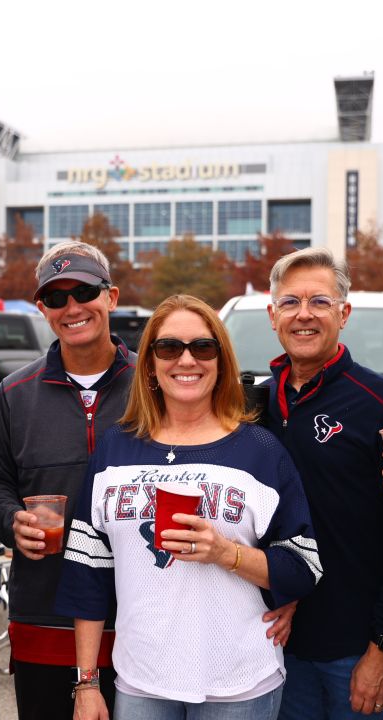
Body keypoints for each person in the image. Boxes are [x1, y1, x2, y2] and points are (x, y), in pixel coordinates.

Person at [55, 294, 324, 720]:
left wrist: (226, 554)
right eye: (168, 348)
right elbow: (86, 573)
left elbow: (304, 567)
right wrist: (86, 682)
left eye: (202, 347)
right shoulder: (115, 449)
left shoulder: (260, 450)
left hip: (240, 682)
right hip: (142, 681)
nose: (186, 360)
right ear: (149, 364)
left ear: (221, 360)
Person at [0, 241, 134, 720]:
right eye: (56, 297)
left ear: (111, 297)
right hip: (44, 617)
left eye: (84, 291)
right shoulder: (14, 394)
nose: (72, 307)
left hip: (142, 619)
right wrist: (11, 520)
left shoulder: (154, 385)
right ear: (41, 308)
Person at [258, 248, 383, 720]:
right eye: (290, 303)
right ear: (272, 315)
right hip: (267, 641)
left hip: (352, 649)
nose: (304, 315)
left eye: (320, 302)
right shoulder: (248, 407)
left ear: (344, 314)